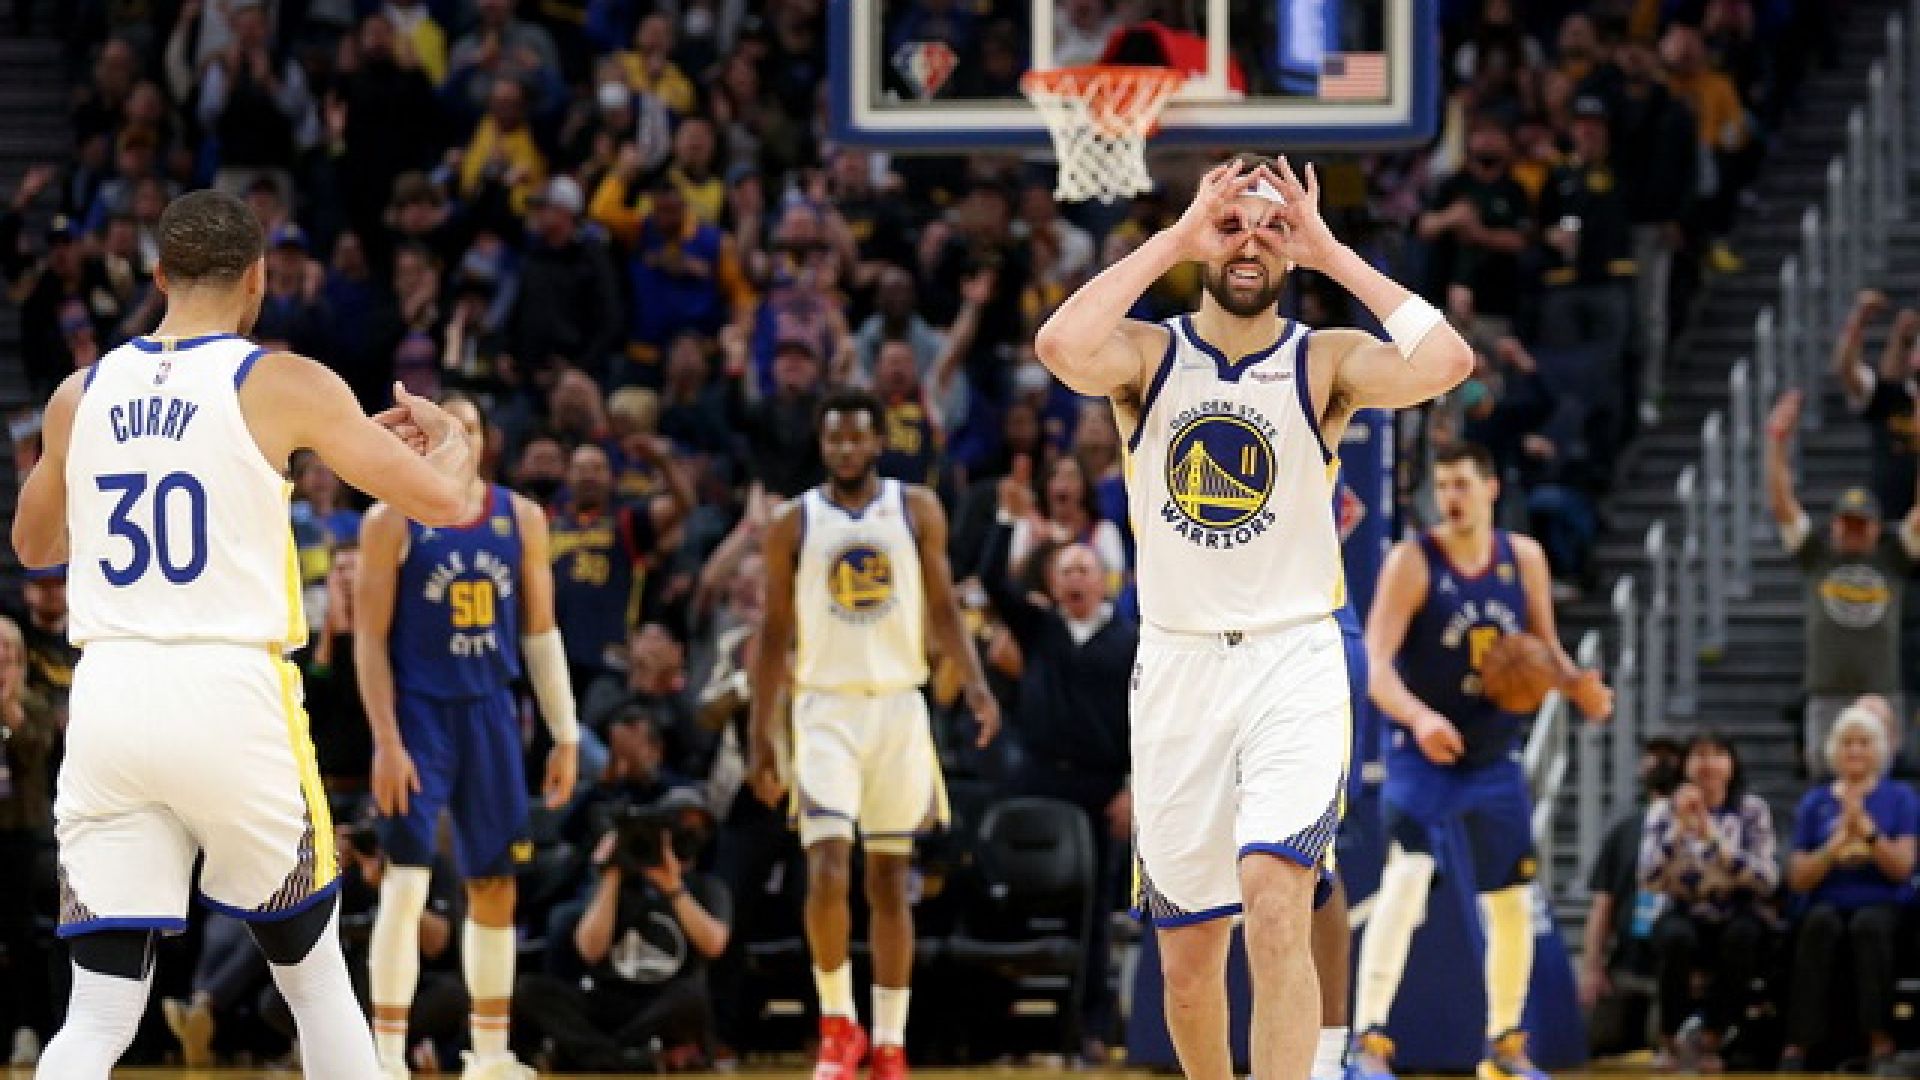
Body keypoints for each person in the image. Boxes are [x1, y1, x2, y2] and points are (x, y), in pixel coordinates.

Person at [12, 188, 477, 1078]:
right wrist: (450, 440)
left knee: (99, 1011)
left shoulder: (80, 392)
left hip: (109, 694)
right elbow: (445, 504)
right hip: (231, 690)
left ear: (158, 276)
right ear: (258, 278)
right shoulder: (285, 383)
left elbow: (34, 546)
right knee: (315, 980)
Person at [1031, 154, 1474, 1080]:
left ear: (1292, 248)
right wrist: (1171, 241)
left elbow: (1446, 362)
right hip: (1178, 665)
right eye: (1232, 226)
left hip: (1292, 658)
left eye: (1271, 229)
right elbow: (1061, 347)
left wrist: (1333, 253)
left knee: (1275, 899)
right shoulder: (1150, 355)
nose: (1250, 244)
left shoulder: (1322, 360)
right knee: (1189, 968)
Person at [748, 387, 1001, 1080]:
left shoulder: (916, 509)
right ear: (821, 443)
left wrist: (976, 684)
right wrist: (761, 734)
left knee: (890, 881)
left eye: (857, 437)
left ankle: (889, 1042)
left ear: (879, 441)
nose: (845, 449)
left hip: (898, 707)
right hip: (824, 708)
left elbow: (943, 606)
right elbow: (772, 633)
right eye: (834, 438)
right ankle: (838, 1023)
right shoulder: (791, 522)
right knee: (828, 867)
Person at [1351, 442, 1612, 1080]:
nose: (1452, 497)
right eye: (1442, 486)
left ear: (1491, 487)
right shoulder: (1413, 562)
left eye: (1462, 483)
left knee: (1511, 898)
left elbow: (1542, 651)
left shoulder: (1523, 559)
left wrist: (1576, 686)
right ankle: (1368, 1040)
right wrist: (1420, 718)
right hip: (1424, 754)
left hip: (1494, 755)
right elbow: (1374, 667)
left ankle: (1505, 1046)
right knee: (1407, 877)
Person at [355, 395, 581, 1079]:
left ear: (486, 440)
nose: (456, 437)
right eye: (440, 426)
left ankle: (489, 1054)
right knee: (405, 882)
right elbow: (369, 641)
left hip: (491, 713)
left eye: (469, 427)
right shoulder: (390, 520)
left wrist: (565, 733)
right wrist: (385, 740)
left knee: (495, 882)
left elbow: (541, 633)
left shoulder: (522, 517)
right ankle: (385, 1057)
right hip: (420, 715)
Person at [1766, 388, 1920, 771]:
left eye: (1861, 524)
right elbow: (1783, 505)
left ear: (1876, 527)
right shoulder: (1816, 556)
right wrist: (1777, 441)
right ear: (1834, 525)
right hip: (1826, 693)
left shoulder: (1893, 558)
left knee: (1883, 783)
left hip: (1881, 693)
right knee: (1826, 780)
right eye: (1847, 523)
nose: (1853, 531)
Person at [1780, 706, 1918, 1071]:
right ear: (1834, 750)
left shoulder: (1900, 797)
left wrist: (1869, 833)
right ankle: (1799, 1042)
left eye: (1863, 742)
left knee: (1869, 926)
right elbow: (1798, 877)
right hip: (1827, 899)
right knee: (1818, 924)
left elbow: (1903, 868)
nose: (1855, 750)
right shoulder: (1815, 802)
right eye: (1847, 742)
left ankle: (1880, 1040)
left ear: (1879, 750)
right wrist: (1834, 845)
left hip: (1883, 901)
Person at [1640, 729, 1779, 1071]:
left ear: (1732, 764)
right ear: (1685, 765)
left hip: (1738, 908)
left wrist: (1714, 841)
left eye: (1718, 754)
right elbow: (1649, 879)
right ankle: (1669, 1038)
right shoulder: (1662, 811)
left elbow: (1766, 879)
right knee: (1675, 938)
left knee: (1742, 937)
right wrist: (1677, 831)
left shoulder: (1752, 810)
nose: (1709, 764)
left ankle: (1713, 1038)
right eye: (1699, 755)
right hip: (1682, 908)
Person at [1578, 738, 1684, 1057]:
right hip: (1627, 965)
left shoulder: (1703, 827)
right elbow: (1602, 905)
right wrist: (1592, 966)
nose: (1661, 764)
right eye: (1653, 756)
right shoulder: (1624, 831)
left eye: (1669, 756)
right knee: (1598, 1042)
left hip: (1678, 966)